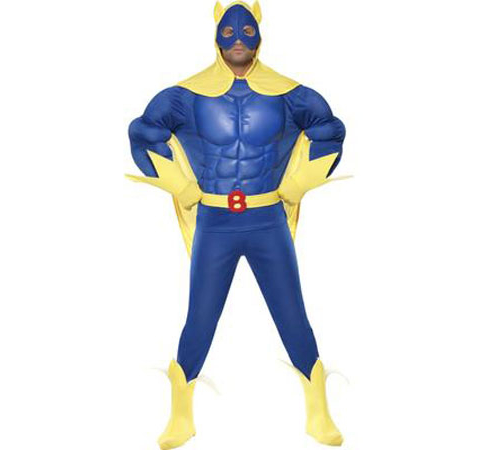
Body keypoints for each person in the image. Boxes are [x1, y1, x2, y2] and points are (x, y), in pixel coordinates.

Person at [127, 2, 347, 448]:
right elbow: (143, 131)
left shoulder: (288, 94)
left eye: (247, 29)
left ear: (260, 34)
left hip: (268, 218)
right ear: (216, 35)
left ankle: (318, 409)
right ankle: (181, 415)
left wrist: (299, 183)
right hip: (214, 220)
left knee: (292, 315)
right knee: (200, 319)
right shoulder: (187, 96)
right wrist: (178, 184)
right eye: (229, 31)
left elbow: (330, 128)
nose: (239, 39)